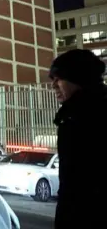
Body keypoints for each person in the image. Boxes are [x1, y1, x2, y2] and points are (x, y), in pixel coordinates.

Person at [49, 49, 106, 228]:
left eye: (59, 79)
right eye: (53, 80)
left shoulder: (87, 117)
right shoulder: (70, 116)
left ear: (78, 79)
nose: (54, 85)